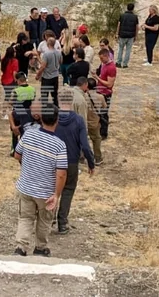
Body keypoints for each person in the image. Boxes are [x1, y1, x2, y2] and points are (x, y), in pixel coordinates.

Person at [12, 105, 67, 257]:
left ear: (41, 118)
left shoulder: (29, 134)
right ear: (57, 121)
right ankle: (40, 248)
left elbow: (17, 155)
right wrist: (56, 194)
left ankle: (20, 247)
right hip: (45, 191)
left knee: (25, 217)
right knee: (44, 220)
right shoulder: (59, 145)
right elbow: (61, 173)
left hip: (26, 187)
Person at [54, 88, 95, 235]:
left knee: (52, 189)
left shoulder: (53, 117)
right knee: (68, 190)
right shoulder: (78, 120)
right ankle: (62, 222)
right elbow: (85, 144)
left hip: (53, 160)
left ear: (59, 100)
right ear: (71, 100)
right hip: (71, 161)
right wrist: (91, 162)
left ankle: (49, 216)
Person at [80, 76, 106, 164]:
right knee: (97, 139)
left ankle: (81, 157)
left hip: (84, 122)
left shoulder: (82, 97)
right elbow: (104, 107)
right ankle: (98, 157)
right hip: (95, 122)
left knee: (82, 140)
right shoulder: (100, 97)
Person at [9, 72, 36, 153]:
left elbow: (11, 102)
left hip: (18, 113)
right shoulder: (32, 89)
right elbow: (33, 100)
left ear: (18, 80)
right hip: (29, 114)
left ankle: (14, 149)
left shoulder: (15, 90)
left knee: (15, 133)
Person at [93, 48, 116, 139]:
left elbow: (110, 84)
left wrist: (97, 78)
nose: (101, 60)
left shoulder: (111, 67)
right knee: (98, 112)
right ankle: (99, 130)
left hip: (106, 93)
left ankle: (104, 133)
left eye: (102, 58)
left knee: (103, 113)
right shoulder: (104, 64)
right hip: (100, 91)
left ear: (107, 56)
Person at [38, 31, 62, 103]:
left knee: (44, 94)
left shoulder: (46, 54)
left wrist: (38, 74)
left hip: (46, 76)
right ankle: (56, 108)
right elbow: (61, 62)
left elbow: (43, 67)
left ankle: (45, 110)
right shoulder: (58, 53)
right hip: (55, 75)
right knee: (54, 94)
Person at [116, 3, 140, 68]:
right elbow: (137, 27)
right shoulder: (135, 17)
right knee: (128, 50)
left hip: (122, 35)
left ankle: (118, 62)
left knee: (120, 49)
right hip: (131, 36)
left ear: (127, 8)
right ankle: (125, 64)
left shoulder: (122, 15)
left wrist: (117, 33)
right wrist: (136, 35)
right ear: (133, 8)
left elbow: (119, 25)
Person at [1, 42, 19, 117]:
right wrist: (16, 80)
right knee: (13, 98)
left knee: (7, 96)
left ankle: (4, 112)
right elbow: (14, 72)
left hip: (4, 80)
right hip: (11, 81)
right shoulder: (15, 61)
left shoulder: (3, 60)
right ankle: (9, 113)